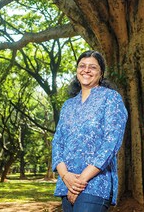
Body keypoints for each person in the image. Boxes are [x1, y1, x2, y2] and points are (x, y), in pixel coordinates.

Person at [52, 50, 128, 212]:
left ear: (101, 73)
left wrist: (81, 182)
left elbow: (111, 143)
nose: (86, 70)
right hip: (67, 183)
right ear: (77, 71)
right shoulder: (68, 105)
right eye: (82, 66)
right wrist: (66, 176)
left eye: (92, 67)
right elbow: (57, 142)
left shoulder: (111, 98)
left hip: (95, 184)